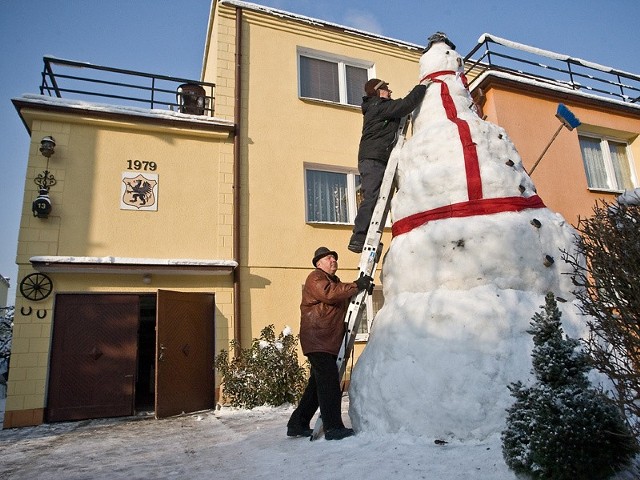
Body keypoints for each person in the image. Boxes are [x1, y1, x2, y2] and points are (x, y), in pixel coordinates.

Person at [287, 246, 372, 440]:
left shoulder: (335, 282)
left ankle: (297, 424)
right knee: (329, 384)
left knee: (317, 386)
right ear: (318, 263)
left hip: (328, 340)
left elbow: (340, 296)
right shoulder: (316, 278)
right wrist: (357, 285)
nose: (333, 261)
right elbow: (330, 294)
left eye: (334, 258)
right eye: (328, 259)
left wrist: (361, 289)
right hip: (318, 339)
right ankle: (333, 428)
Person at [348, 78, 428, 253]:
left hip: (378, 158)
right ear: (377, 92)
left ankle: (364, 235)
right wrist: (422, 87)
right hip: (373, 159)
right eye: (386, 89)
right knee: (371, 197)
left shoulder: (379, 107)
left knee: (375, 197)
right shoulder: (378, 107)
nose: (390, 92)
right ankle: (359, 237)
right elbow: (406, 105)